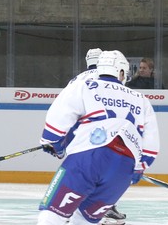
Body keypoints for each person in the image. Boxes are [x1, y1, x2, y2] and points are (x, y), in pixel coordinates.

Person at [38, 50, 159, 225]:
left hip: (88, 157)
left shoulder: (84, 85)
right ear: (122, 72)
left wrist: (52, 142)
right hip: (123, 169)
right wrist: (140, 167)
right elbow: (151, 142)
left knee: (53, 213)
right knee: (85, 220)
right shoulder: (141, 99)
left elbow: (59, 115)